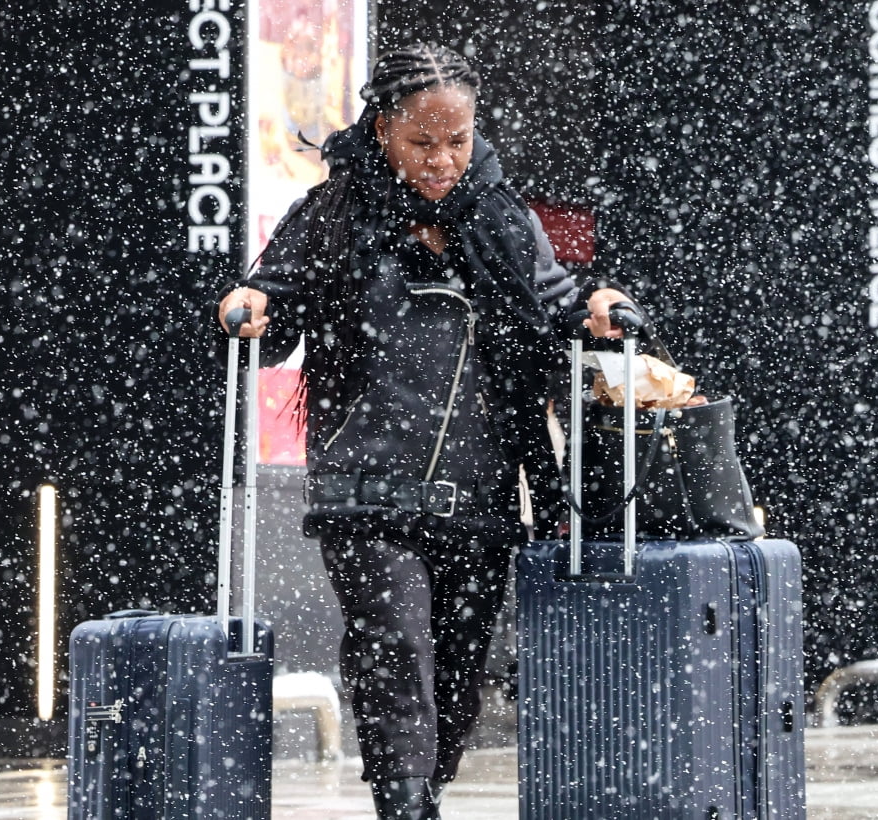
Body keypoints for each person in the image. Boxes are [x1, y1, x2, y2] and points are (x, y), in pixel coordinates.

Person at [217, 43, 627, 820]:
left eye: (457, 141)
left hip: (479, 490)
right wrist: (250, 305)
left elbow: (558, 302)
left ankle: (423, 797)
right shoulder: (331, 216)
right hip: (364, 487)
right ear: (381, 131)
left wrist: (595, 309)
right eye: (422, 142)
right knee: (395, 647)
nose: (442, 159)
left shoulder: (504, 220)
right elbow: (272, 300)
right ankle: (404, 807)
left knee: (459, 671)